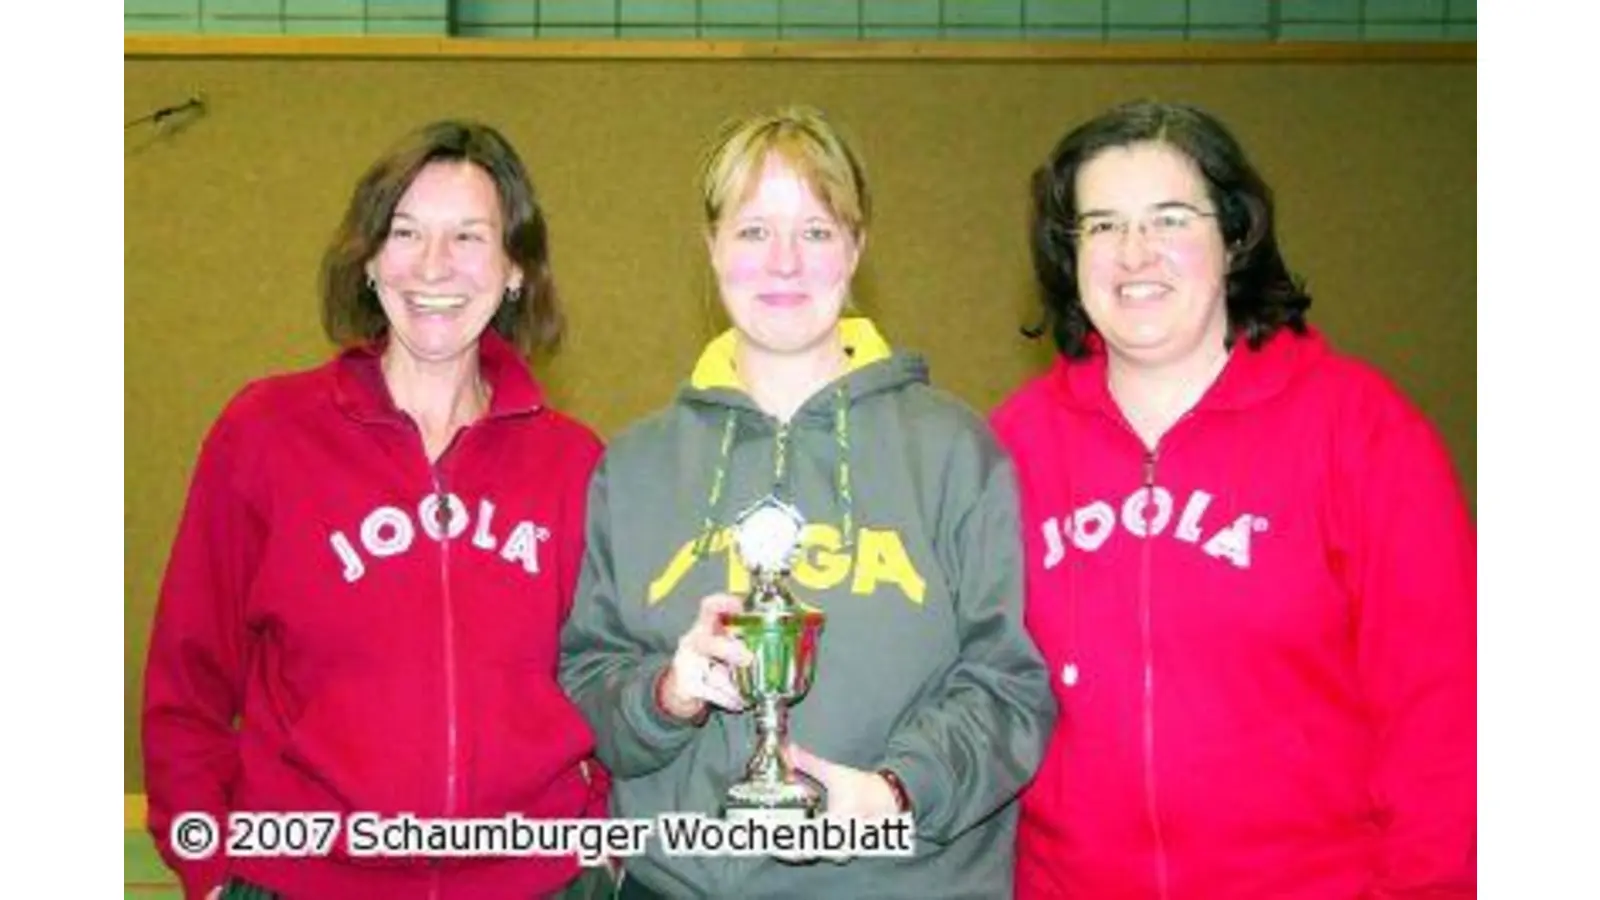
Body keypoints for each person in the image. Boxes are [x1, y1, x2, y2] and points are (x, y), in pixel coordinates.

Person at [558, 105, 1055, 899]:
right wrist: (665, 695)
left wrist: (897, 794)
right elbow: (588, 677)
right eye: (754, 231)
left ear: (857, 249)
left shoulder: (954, 451)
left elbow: (1006, 684)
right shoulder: (636, 465)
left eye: (817, 232)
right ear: (711, 247)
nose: (784, 262)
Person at [991, 98, 1477, 898]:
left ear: (1235, 235)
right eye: (1103, 226)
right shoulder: (1010, 449)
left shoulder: (1360, 432)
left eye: (1171, 218)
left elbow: (1445, 716)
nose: (1135, 253)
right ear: (1068, 253)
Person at [141, 120, 613, 900]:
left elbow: (604, 677)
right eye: (405, 233)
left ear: (516, 269)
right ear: (367, 261)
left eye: (469, 236)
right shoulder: (264, 434)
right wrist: (210, 868)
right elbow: (186, 681)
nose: (434, 266)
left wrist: (597, 844)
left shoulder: (572, 462)